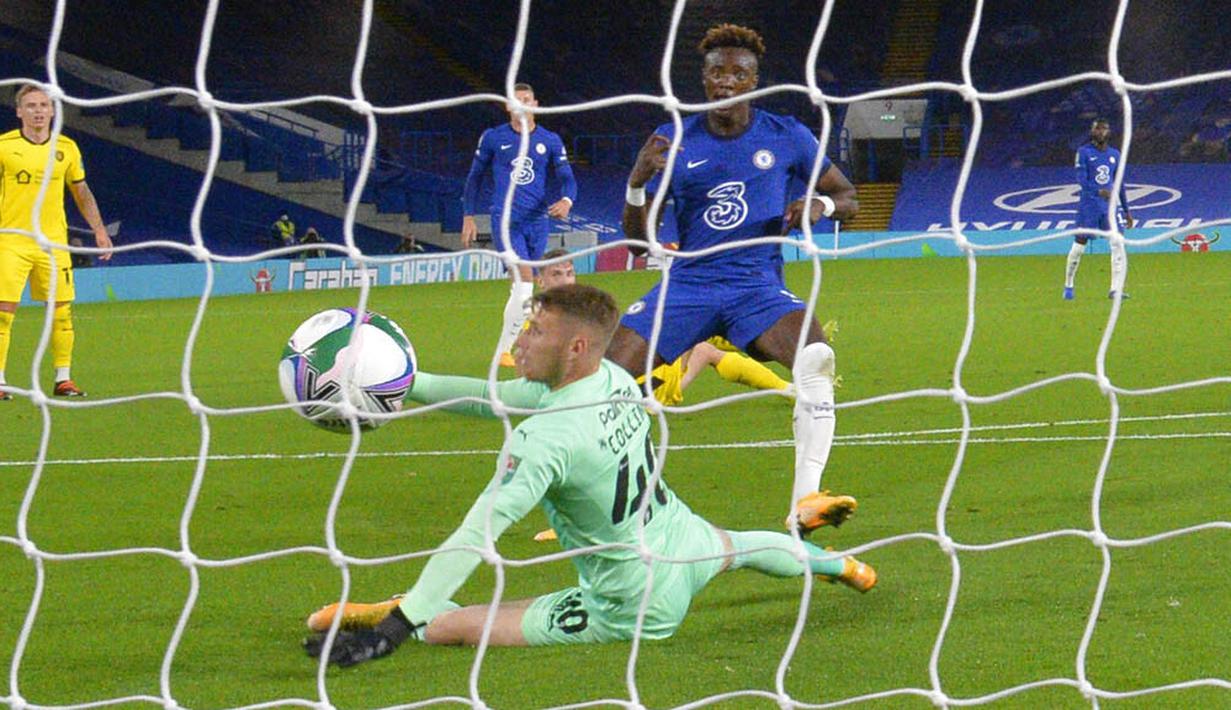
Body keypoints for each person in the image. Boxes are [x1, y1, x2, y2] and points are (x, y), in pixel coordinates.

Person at [302, 284, 875, 665]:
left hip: (631, 601)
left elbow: (478, 533)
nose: (520, 341)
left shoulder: (545, 440)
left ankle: (410, 608)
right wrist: (412, 383)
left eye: (535, 332)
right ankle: (845, 567)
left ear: (575, 346)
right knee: (748, 547)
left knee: (455, 629)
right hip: (682, 541)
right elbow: (492, 398)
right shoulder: (612, 380)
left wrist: (397, 630)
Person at [608, 24, 859, 533]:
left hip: (756, 287)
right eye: (717, 72)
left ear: (754, 81)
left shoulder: (787, 135)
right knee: (605, 382)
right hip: (688, 285)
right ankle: (615, 496)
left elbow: (849, 198)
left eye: (738, 73)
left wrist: (820, 204)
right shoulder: (674, 141)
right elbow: (637, 246)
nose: (726, 80)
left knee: (816, 358)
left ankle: (805, 501)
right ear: (703, 79)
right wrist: (636, 184)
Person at [0, 84, 113, 400]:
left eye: (43, 105)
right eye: (31, 105)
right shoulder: (4, 146)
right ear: (19, 111)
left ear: (52, 110)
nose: (38, 111)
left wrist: (99, 230)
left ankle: (63, 379)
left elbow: (82, 192)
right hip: (11, 242)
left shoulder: (67, 148)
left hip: (53, 244)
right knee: (3, 313)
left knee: (61, 313)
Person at [461, 83, 578, 368]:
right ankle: (505, 351)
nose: (521, 104)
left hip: (537, 221)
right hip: (505, 220)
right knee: (525, 281)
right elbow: (474, 177)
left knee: (522, 287)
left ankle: (520, 339)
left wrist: (566, 200)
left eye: (526, 99)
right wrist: (468, 215)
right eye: (516, 100)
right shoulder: (493, 137)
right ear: (508, 107)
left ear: (535, 104)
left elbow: (567, 178)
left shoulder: (550, 140)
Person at [1065, 118, 1134, 301]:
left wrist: (1126, 210)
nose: (1101, 132)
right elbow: (1081, 180)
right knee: (1079, 245)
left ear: (1109, 132)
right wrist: (1098, 191)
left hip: (1110, 208)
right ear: (1092, 131)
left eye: (1104, 128)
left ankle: (1115, 290)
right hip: (1089, 206)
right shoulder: (1084, 152)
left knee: (1118, 244)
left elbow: (1119, 184)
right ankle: (1069, 284)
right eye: (1097, 128)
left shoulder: (1115, 154)